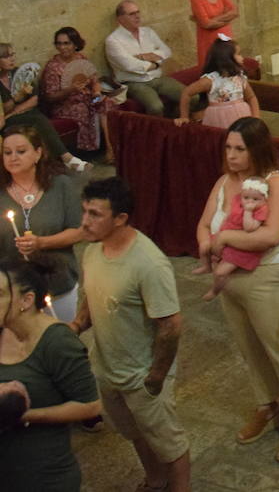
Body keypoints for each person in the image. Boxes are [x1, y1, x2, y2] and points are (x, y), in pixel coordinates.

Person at [192, 117, 279, 462]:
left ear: (257, 149)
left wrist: (224, 238)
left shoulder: (277, 185)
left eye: (239, 149)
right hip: (231, 280)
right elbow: (203, 224)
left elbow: (270, 235)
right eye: (228, 148)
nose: (231, 155)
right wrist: (206, 242)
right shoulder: (223, 183)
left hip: (269, 279)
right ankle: (269, 404)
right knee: (249, 348)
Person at [72, 177, 191, 492]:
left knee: (168, 442)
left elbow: (171, 325)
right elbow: (92, 293)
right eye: (84, 211)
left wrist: (155, 378)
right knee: (135, 432)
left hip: (142, 374)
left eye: (95, 214)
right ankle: (155, 481)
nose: (85, 221)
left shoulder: (149, 264)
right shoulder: (93, 251)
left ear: (121, 218)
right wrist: (78, 323)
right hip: (108, 369)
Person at [0, 254, 101, 492]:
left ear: (26, 300)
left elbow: (91, 406)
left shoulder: (58, 342)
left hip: (41, 474)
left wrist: (24, 415)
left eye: (0, 294)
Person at [0, 127, 83, 321]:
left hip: (56, 283)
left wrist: (41, 243)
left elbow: (78, 231)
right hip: (12, 289)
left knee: (57, 342)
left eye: (21, 151)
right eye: (7, 152)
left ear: (38, 153)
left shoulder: (61, 185)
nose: (13, 157)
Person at [1, 42, 87, 171]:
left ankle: (55, 165)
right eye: (6, 56)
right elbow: (4, 109)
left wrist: (15, 109)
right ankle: (66, 158)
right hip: (7, 121)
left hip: (26, 113)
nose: (12, 59)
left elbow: (34, 99)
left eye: (12, 55)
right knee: (38, 120)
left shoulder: (21, 73)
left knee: (36, 118)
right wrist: (17, 98)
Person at [194, 175, 270, 300]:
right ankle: (206, 266)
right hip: (225, 234)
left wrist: (248, 211)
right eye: (246, 197)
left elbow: (249, 228)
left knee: (220, 272)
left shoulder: (261, 210)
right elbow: (228, 216)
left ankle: (214, 291)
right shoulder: (237, 200)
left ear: (264, 199)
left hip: (240, 246)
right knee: (204, 247)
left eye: (255, 199)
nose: (249, 202)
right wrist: (220, 231)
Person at [105, 0, 183, 117]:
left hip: (156, 77)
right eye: (131, 14)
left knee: (191, 96)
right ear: (120, 19)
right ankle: (158, 133)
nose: (137, 16)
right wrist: (156, 63)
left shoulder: (148, 32)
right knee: (156, 107)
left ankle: (176, 123)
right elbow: (130, 65)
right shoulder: (113, 40)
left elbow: (166, 51)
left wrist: (148, 57)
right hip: (134, 82)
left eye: (138, 12)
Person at [175, 35, 258, 128]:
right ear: (227, 58)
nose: (242, 57)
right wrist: (184, 116)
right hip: (219, 119)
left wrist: (256, 117)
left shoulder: (239, 77)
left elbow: (251, 97)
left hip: (242, 116)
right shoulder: (210, 80)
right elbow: (187, 92)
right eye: (238, 54)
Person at [189, 0, 238, 65]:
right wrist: (227, 19)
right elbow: (207, 24)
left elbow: (234, 12)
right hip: (210, 43)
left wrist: (215, 20)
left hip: (226, 39)